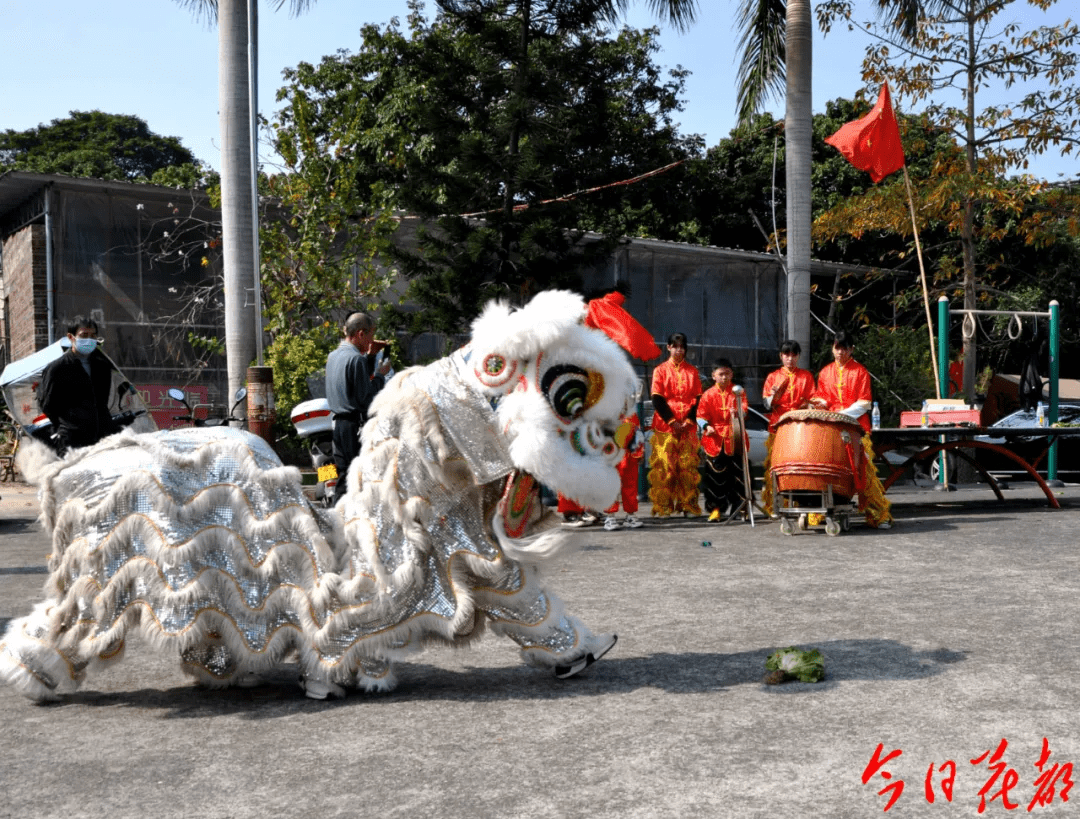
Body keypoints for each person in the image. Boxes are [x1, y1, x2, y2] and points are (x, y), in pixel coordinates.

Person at [810, 330, 894, 529]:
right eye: (837, 348)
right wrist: (818, 404)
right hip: (831, 428)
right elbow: (822, 397)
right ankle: (820, 512)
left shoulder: (860, 372)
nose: (840, 352)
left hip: (856, 428)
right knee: (824, 469)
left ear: (851, 350)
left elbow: (864, 403)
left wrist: (843, 414)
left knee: (864, 470)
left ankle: (878, 514)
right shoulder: (825, 372)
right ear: (832, 348)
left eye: (844, 349)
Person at [325, 311, 391, 505]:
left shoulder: (334, 356)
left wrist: (370, 359)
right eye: (370, 335)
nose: (372, 341)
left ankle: (337, 517)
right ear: (361, 334)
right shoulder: (356, 359)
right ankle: (345, 519)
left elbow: (355, 382)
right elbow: (366, 399)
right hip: (354, 426)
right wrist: (380, 375)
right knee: (353, 477)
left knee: (343, 472)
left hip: (337, 424)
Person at [38, 316, 122, 455]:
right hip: (73, 441)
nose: (89, 339)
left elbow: (103, 400)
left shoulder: (102, 366)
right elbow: (48, 404)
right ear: (71, 337)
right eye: (84, 335)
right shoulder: (57, 368)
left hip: (103, 438)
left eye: (93, 335)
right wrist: (69, 425)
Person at [647, 332, 703, 517]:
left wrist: (688, 421)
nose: (679, 350)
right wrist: (672, 421)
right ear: (668, 347)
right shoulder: (660, 370)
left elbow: (698, 399)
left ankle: (687, 504)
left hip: (688, 427)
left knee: (687, 467)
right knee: (665, 467)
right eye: (675, 346)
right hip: (665, 427)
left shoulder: (692, 371)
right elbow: (657, 399)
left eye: (682, 347)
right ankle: (663, 505)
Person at [760, 340, 816, 515]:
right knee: (775, 467)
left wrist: (807, 407)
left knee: (800, 466)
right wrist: (773, 396)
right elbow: (767, 405)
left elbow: (813, 401)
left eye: (793, 355)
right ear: (781, 356)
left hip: (800, 427)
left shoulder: (806, 376)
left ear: (798, 356)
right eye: (786, 355)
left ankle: (800, 502)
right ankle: (774, 505)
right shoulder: (772, 377)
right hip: (778, 427)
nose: (790, 358)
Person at [697, 358, 750, 522]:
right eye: (721, 374)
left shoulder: (738, 392)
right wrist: (706, 427)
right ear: (713, 375)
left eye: (727, 374)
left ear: (731, 374)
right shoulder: (708, 395)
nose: (724, 377)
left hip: (735, 437)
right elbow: (700, 416)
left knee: (738, 475)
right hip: (715, 439)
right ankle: (715, 510)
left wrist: (738, 413)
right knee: (715, 478)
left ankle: (740, 508)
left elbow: (745, 410)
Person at [601, 412, 646, 530]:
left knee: (630, 486)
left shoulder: (632, 415)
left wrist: (640, 453)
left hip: (630, 456)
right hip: (612, 456)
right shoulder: (605, 415)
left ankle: (630, 515)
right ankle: (610, 517)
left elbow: (639, 435)